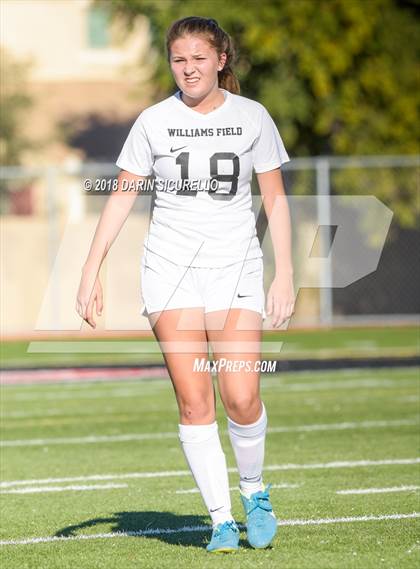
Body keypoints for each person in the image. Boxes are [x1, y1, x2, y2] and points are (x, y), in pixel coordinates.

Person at [76, 16, 295, 553]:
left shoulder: (253, 117)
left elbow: (275, 199)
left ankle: (254, 490)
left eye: (199, 57)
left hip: (236, 268)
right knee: (195, 401)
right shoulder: (153, 120)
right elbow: (123, 195)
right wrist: (90, 267)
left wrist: (285, 272)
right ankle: (220, 519)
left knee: (241, 396)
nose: (188, 68)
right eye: (179, 59)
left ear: (221, 59)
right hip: (170, 271)